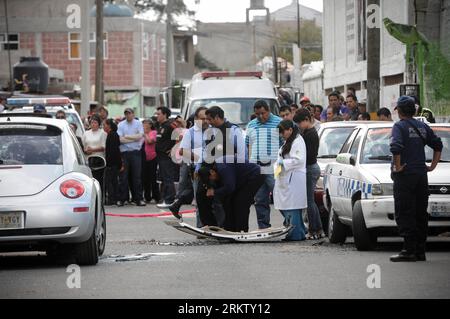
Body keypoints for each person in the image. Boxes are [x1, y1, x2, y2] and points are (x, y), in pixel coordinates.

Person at [389, 96, 443, 262]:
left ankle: (408, 250)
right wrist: (433, 165)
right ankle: (420, 250)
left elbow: (396, 147)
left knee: (405, 212)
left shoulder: (399, 126)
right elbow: (438, 145)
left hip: (405, 176)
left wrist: (398, 167)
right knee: (420, 213)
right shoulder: (422, 126)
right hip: (421, 175)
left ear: (399, 111)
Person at [197, 161, 265, 232]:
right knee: (228, 201)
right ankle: (231, 229)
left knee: (240, 201)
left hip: (256, 175)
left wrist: (214, 192)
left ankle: (242, 230)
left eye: (210, 179)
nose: (211, 181)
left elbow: (230, 187)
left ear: (212, 172)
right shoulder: (215, 171)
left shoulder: (223, 169)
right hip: (241, 179)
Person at [246, 100, 282, 230]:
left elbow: (285, 144)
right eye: (257, 114)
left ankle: (290, 222)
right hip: (257, 168)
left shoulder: (279, 123)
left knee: (279, 196)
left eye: (263, 113)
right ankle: (264, 227)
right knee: (260, 199)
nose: (260, 116)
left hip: (274, 167)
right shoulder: (251, 125)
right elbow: (246, 145)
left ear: (268, 110)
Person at [170, 107, 209, 219]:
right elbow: (183, 151)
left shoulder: (213, 130)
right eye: (202, 118)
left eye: (207, 118)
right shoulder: (190, 132)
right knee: (199, 200)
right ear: (196, 119)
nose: (205, 121)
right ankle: (200, 227)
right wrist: (202, 158)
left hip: (211, 169)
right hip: (196, 169)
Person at [273, 120, 308, 241]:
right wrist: (278, 165)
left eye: (283, 132)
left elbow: (298, 160)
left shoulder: (298, 141)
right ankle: (298, 230)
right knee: (286, 206)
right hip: (286, 177)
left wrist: (283, 163)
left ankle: (296, 234)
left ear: (290, 130)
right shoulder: (288, 141)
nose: (281, 135)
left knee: (293, 207)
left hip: (294, 178)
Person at [294, 109, 325, 239]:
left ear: (307, 119)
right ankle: (318, 229)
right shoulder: (307, 132)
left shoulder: (310, 134)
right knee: (310, 201)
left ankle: (315, 229)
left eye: (300, 123)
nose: (299, 126)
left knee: (309, 201)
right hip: (311, 168)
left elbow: (309, 156)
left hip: (310, 169)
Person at [117, 108, 146, 207]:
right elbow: (120, 139)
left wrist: (127, 137)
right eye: (126, 113)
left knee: (137, 177)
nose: (128, 115)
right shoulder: (121, 124)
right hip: (124, 153)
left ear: (133, 114)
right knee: (123, 177)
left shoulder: (138, 123)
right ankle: (122, 199)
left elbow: (141, 136)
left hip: (136, 153)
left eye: (129, 113)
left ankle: (138, 198)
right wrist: (134, 138)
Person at [155, 107, 177, 208]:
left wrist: (174, 149)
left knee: (168, 178)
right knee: (163, 178)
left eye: (159, 114)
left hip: (166, 157)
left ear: (164, 115)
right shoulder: (161, 126)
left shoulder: (170, 125)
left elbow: (179, 136)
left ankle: (169, 200)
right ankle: (165, 198)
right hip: (160, 156)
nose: (157, 116)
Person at [82, 115, 107, 191]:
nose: (93, 124)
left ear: (99, 124)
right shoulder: (86, 133)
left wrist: (92, 149)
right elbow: (83, 146)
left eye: (95, 122)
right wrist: (86, 151)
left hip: (99, 160)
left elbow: (103, 147)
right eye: (92, 122)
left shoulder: (103, 133)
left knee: (98, 180)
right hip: (88, 160)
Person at [103, 119, 122, 206]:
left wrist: (110, 163)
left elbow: (114, 151)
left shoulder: (112, 135)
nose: (103, 127)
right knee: (113, 181)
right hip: (113, 162)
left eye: (105, 125)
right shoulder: (111, 135)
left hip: (112, 163)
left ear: (109, 126)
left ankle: (112, 198)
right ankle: (114, 198)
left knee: (111, 181)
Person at [142, 119, 160, 204]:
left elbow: (150, 141)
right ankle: (147, 196)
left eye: (146, 123)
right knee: (145, 178)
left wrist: (145, 134)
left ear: (150, 125)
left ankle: (156, 196)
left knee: (153, 178)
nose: (144, 125)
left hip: (153, 157)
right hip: (144, 158)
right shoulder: (143, 133)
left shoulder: (153, 132)